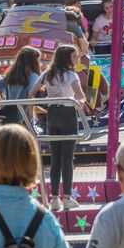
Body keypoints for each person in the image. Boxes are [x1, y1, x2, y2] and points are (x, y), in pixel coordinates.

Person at [32, 45, 86, 212]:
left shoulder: (47, 74)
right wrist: (81, 102)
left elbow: (32, 93)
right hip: (67, 113)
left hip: (52, 114)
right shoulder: (71, 75)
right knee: (67, 158)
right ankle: (67, 197)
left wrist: (46, 102)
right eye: (75, 56)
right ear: (66, 59)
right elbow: (80, 95)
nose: (77, 59)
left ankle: (54, 198)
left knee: (55, 158)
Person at [0, 47, 42, 125]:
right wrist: (31, 117)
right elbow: (31, 96)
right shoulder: (33, 76)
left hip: (10, 116)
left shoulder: (11, 75)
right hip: (23, 118)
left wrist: (1, 104)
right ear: (33, 61)